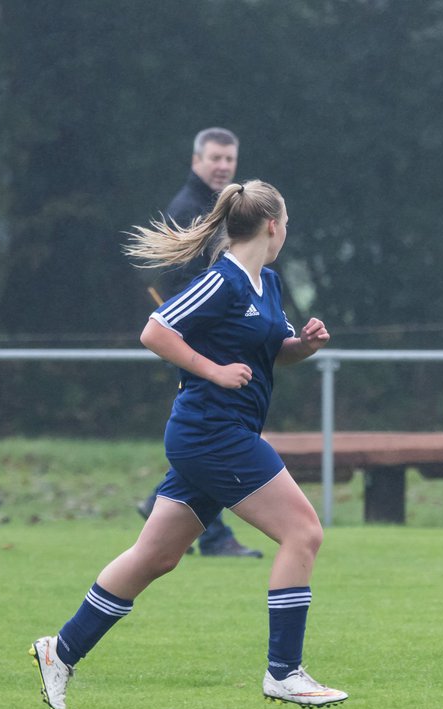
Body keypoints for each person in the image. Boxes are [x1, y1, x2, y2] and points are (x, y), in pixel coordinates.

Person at [31, 180, 346, 709]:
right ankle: (284, 672)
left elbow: (277, 353)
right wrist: (213, 370)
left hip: (227, 435)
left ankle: (60, 650)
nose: (287, 230)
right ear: (273, 225)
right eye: (286, 222)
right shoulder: (221, 280)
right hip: (210, 434)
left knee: (155, 556)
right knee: (303, 532)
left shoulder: (265, 283)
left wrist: (304, 346)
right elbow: (155, 331)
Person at [136, 127, 261, 559]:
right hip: (195, 344)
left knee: (209, 430)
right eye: (215, 159)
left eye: (229, 159)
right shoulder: (188, 208)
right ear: (196, 162)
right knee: (214, 431)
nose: (223, 166)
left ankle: (162, 505)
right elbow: (178, 284)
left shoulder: (224, 209)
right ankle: (214, 537)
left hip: (208, 345)